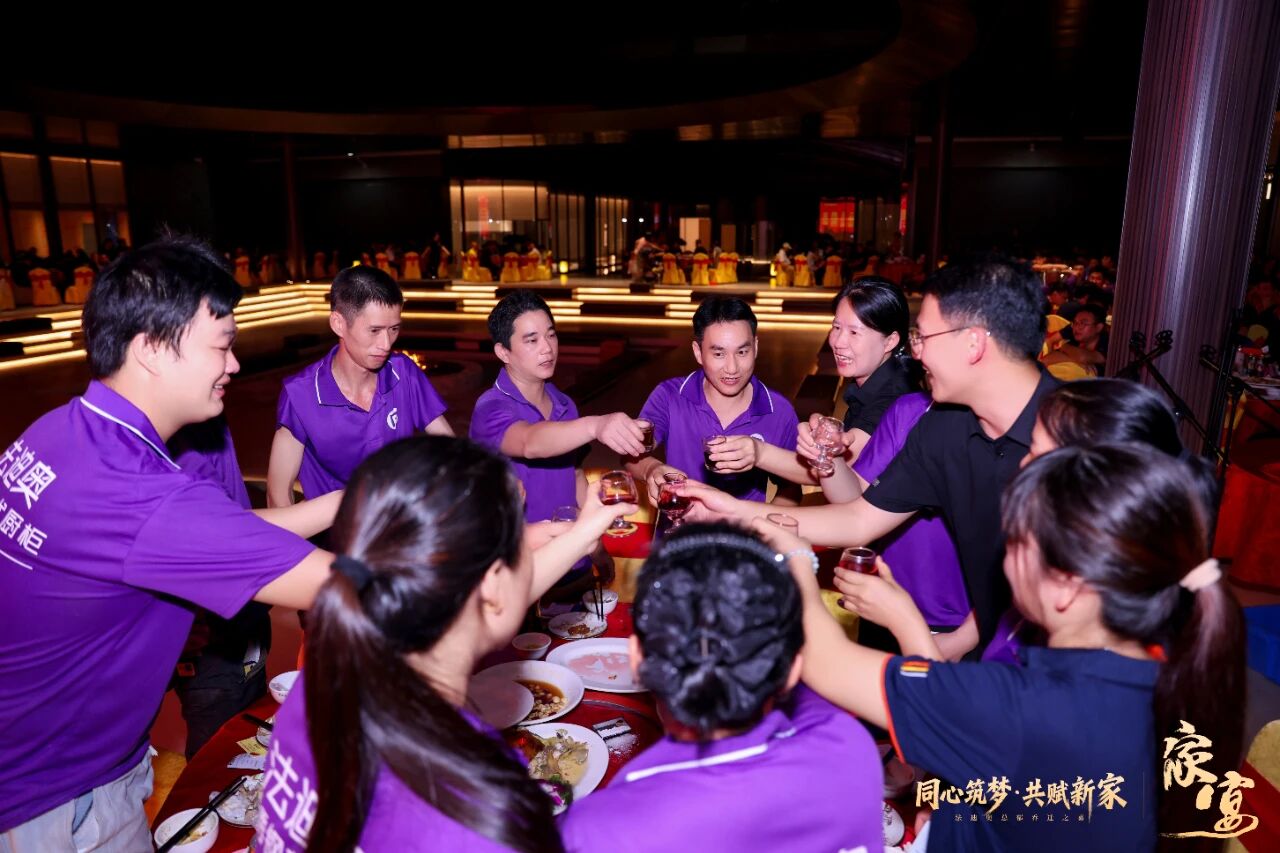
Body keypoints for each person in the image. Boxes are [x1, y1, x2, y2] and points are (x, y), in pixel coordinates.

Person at [0, 236, 338, 850]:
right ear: (152, 348)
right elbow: (354, 590)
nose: (234, 366)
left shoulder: (61, 431)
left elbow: (219, 536)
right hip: (56, 799)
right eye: (221, 346)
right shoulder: (138, 492)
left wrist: (345, 500)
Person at [772, 443, 1245, 851]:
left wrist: (795, 555)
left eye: (1015, 541)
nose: (1001, 554)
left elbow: (827, 661)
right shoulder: (1168, 672)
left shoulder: (1023, 708)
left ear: (1066, 586)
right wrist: (906, 619)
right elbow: (957, 712)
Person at [257, 435, 636, 853]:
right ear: (492, 584)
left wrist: (582, 533)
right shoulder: (477, 809)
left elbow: (494, 596)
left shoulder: (317, 689)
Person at [680, 255, 1056, 653]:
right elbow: (859, 518)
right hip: (962, 649)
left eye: (923, 338)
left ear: (973, 343)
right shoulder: (939, 425)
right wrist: (727, 511)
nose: (916, 354)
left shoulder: (1078, 435)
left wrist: (958, 641)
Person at [559, 522, 883, 853]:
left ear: (637, 657)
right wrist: (797, 561)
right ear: (794, 670)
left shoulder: (595, 830)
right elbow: (827, 662)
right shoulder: (850, 747)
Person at [267, 266, 452, 506]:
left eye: (394, 329)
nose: (386, 344)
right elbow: (278, 494)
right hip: (334, 529)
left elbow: (452, 449)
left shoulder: (403, 372)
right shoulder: (301, 394)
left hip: (398, 523)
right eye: (374, 331)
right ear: (338, 324)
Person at [470, 290, 646, 524]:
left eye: (551, 335)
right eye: (532, 340)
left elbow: (575, 473)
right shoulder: (490, 408)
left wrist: (595, 534)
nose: (547, 348)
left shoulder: (564, 403)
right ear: (504, 352)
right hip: (523, 545)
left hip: (570, 541)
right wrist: (595, 425)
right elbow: (529, 443)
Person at [627, 297, 801, 507]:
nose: (732, 368)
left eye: (742, 352)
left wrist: (760, 522)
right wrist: (651, 469)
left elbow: (792, 487)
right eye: (719, 353)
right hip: (678, 525)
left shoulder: (779, 411)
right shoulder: (669, 396)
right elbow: (631, 456)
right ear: (698, 352)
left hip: (745, 528)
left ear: (755, 347)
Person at [168, 417, 273, 758]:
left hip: (247, 630)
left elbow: (234, 523)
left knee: (252, 740)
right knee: (213, 759)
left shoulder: (208, 416)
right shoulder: (160, 441)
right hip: (210, 654)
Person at [1043, 303, 1109, 371]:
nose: (1077, 327)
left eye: (1083, 323)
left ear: (1098, 327)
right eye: (1075, 323)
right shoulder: (1077, 340)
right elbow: (1046, 360)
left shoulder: (1107, 344)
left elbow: (1083, 357)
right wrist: (1074, 358)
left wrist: (1065, 348)